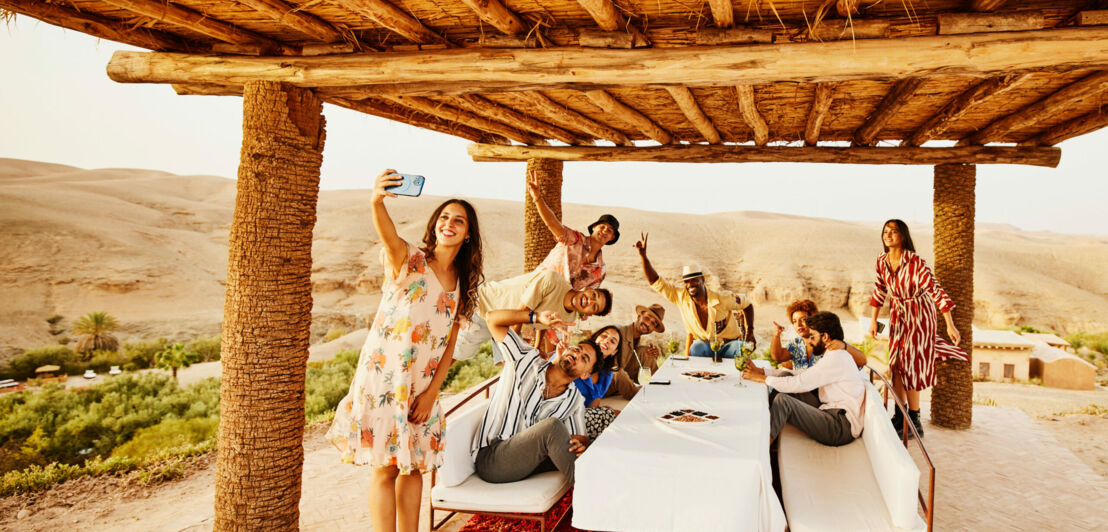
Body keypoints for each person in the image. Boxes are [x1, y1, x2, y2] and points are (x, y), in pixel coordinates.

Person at [326, 170, 484, 532]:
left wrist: (432, 394)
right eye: (444, 217)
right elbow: (388, 236)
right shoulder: (410, 261)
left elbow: (448, 347)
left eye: (458, 220)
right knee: (386, 467)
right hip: (384, 380)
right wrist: (376, 201)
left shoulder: (462, 283)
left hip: (422, 388)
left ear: (468, 233)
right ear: (435, 225)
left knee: (413, 467)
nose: (450, 224)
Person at [473, 309, 601, 485]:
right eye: (577, 349)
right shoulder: (525, 359)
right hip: (493, 458)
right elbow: (492, 319)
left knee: (600, 450)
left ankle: (616, 489)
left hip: (529, 461)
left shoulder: (574, 400)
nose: (576, 355)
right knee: (552, 427)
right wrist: (535, 317)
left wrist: (582, 445)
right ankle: (592, 496)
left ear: (586, 374)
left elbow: (579, 439)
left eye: (584, 358)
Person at [868, 219, 967, 438]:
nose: (889, 235)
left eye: (894, 231)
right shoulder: (882, 261)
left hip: (920, 315)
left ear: (903, 236)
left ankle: (914, 420)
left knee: (911, 366)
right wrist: (874, 320)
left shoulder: (914, 262)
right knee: (895, 364)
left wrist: (949, 324)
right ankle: (899, 415)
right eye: (886, 231)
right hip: (898, 314)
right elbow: (879, 290)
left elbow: (935, 290)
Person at [744, 312, 866, 447]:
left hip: (840, 427)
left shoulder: (836, 358)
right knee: (785, 377)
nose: (810, 340)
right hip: (828, 410)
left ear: (825, 337)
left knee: (783, 401)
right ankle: (765, 424)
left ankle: (762, 447)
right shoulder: (834, 355)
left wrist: (762, 378)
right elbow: (800, 374)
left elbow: (799, 383)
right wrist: (762, 372)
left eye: (813, 336)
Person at [635, 232, 755, 358]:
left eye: (694, 280)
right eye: (687, 281)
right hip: (705, 348)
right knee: (697, 347)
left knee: (741, 347)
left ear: (702, 280)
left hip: (729, 346)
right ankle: (699, 376)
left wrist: (750, 331)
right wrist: (643, 256)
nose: (690, 284)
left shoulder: (722, 298)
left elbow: (747, 304)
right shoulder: (680, 297)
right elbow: (655, 281)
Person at [455, 268, 613, 363]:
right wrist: (511, 349)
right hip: (484, 306)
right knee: (452, 352)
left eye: (595, 306)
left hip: (501, 323)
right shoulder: (552, 280)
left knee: (463, 354)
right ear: (587, 289)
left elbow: (543, 321)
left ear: (589, 314)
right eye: (594, 295)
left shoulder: (570, 317)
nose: (590, 301)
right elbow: (522, 312)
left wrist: (537, 347)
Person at [527, 170, 620, 291]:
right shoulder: (575, 239)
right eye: (602, 227)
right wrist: (537, 198)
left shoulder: (600, 270)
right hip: (534, 287)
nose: (604, 231)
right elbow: (552, 223)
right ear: (594, 227)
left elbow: (587, 297)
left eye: (609, 230)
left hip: (556, 306)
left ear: (612, 237)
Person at [771, 299, 867, 371]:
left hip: (823, 393)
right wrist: (776, 335)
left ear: (813, 319)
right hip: (802, 389)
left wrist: (843, 346)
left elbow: (862, 361)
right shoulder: (795, 344)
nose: (798, 324)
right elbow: (778, 357)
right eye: (794, 321)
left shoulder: (825, 340)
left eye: (803, 319)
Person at [606, 304, 667, 399]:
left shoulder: (636, 342)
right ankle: (645, 395)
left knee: (647, 352)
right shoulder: (618, 333)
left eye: (653, 324)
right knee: (618, 373)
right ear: (639, 316)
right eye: (647, 318)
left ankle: (654, 386)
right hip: (605, 382)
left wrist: (653, 355)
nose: (648, 324)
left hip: (622, 377)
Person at [574, 326, 622, 439]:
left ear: (614, 351)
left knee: (616, 414)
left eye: (612, 341)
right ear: (596, 337)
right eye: (604, 336)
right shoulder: (578, 354)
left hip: (583, 413)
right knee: (612, 415)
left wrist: (600, 412)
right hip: (565, 411)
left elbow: (593, 405)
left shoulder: (606, 374)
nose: (606, 341)